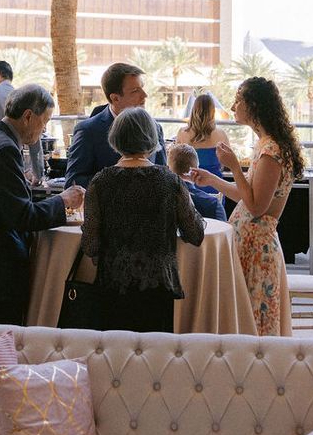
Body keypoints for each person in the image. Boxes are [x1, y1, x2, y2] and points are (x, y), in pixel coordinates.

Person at [0, 84, 83, 325]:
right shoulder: (4, 148)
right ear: (28, 116)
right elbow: (23, 217)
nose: (44, 129)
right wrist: (62, 201)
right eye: (44, 121)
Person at [192, 76, 302, 338]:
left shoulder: (271, 150)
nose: (232, 106)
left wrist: (232, 167)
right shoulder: (266, 145)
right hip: (248, 243)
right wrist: (213, 180)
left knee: (254, 325)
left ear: (253, 106)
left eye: (238, 100)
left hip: (257, 249)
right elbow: (247, 196)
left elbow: (255, 206)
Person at [80, 108, 205, 332]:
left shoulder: (100, 182)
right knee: (155, 357)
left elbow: (90, 246)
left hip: (113, 285)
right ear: (152, 139)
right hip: (159, 286)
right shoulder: (170, 181)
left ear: (115, 140)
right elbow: (194, 234)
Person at [63, 62, 154, 188]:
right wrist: (115, 180)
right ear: (115, 98)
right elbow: (72, 182)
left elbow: (162, 172)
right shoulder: (88, 131)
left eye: (142, 88)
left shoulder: (155, 128)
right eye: (135, 91)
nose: (145, 95)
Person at [173, 91, 229, 177]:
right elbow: (226, 163)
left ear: (194, 110)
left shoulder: (182, 133)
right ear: (212, 111)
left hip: (190, 184)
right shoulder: (221, 134)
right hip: (215, 183)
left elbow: (176, 163)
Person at [168, 144, 227, 219]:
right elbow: (223, 229)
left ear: (169, 168)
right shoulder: (213, 204)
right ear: (196, 168)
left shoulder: (159, 198)